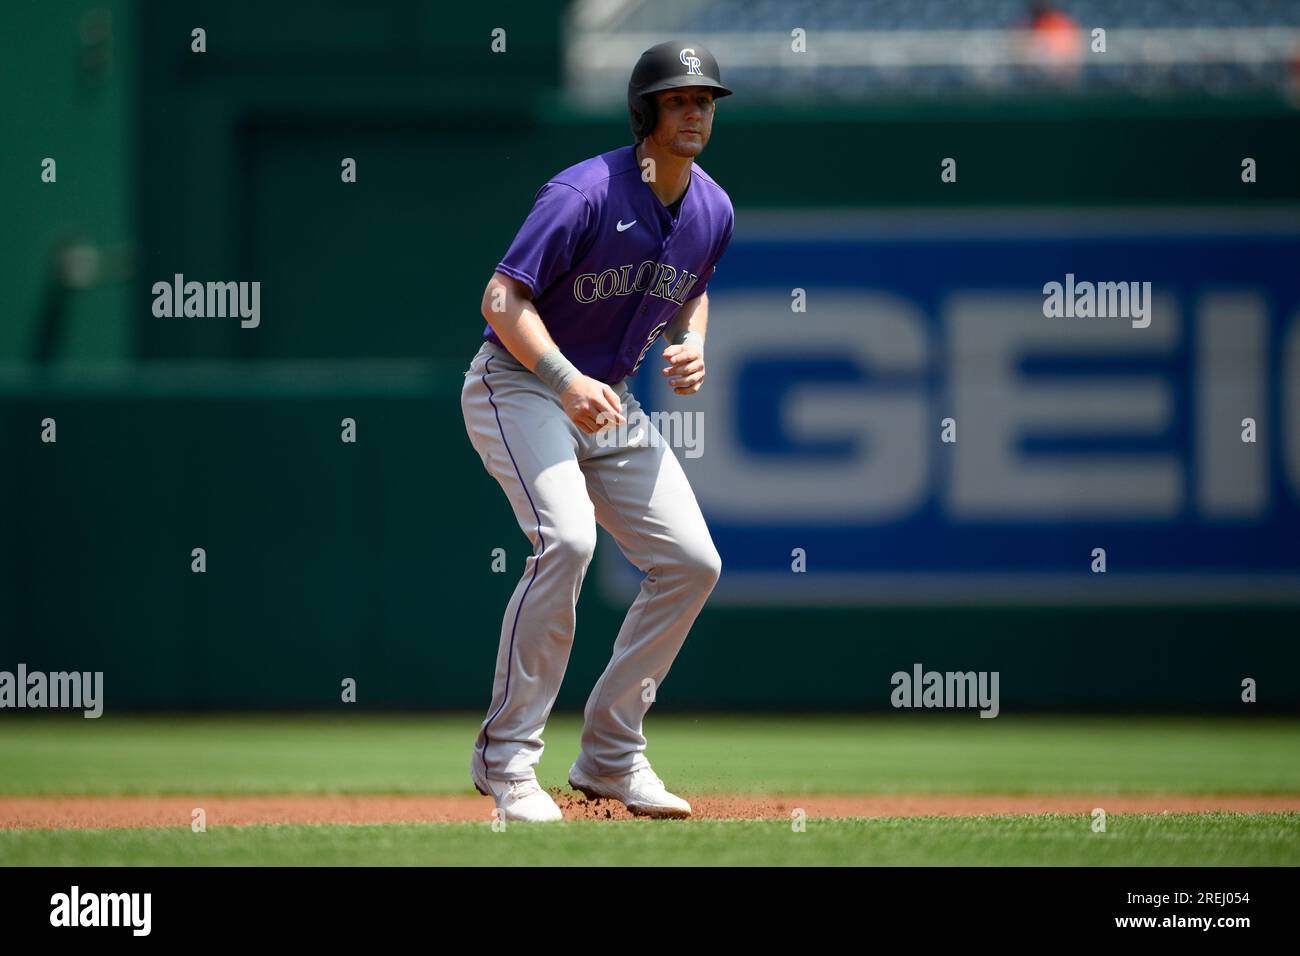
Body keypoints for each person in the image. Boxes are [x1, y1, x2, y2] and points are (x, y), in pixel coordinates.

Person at [459, 40, 735, 821]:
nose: (695, 111)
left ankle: (611, 755)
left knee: (691, 561)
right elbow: (500, 299)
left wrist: (695, 340)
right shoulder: (583, 192)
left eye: (705, 100)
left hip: (605, 398)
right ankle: (507, 764)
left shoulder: (713, 207)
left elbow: (692, 289)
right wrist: (563, 380)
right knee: (569, 540)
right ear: (646, 111)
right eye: (679, 99)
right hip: (518, 383)